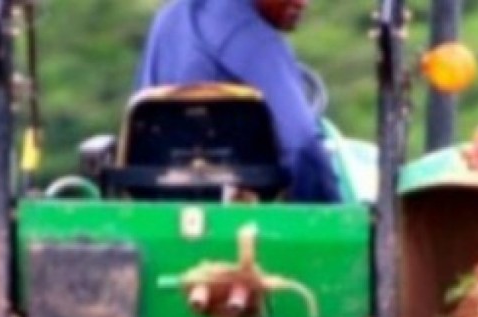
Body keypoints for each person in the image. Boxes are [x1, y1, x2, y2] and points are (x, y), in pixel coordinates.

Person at [135, 0, 342, 203]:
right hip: (239, 213)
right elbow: (302, 147)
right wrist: (331, 215)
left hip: (157, 203)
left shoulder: (168, 20)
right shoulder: (256, 40)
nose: (303, 3)